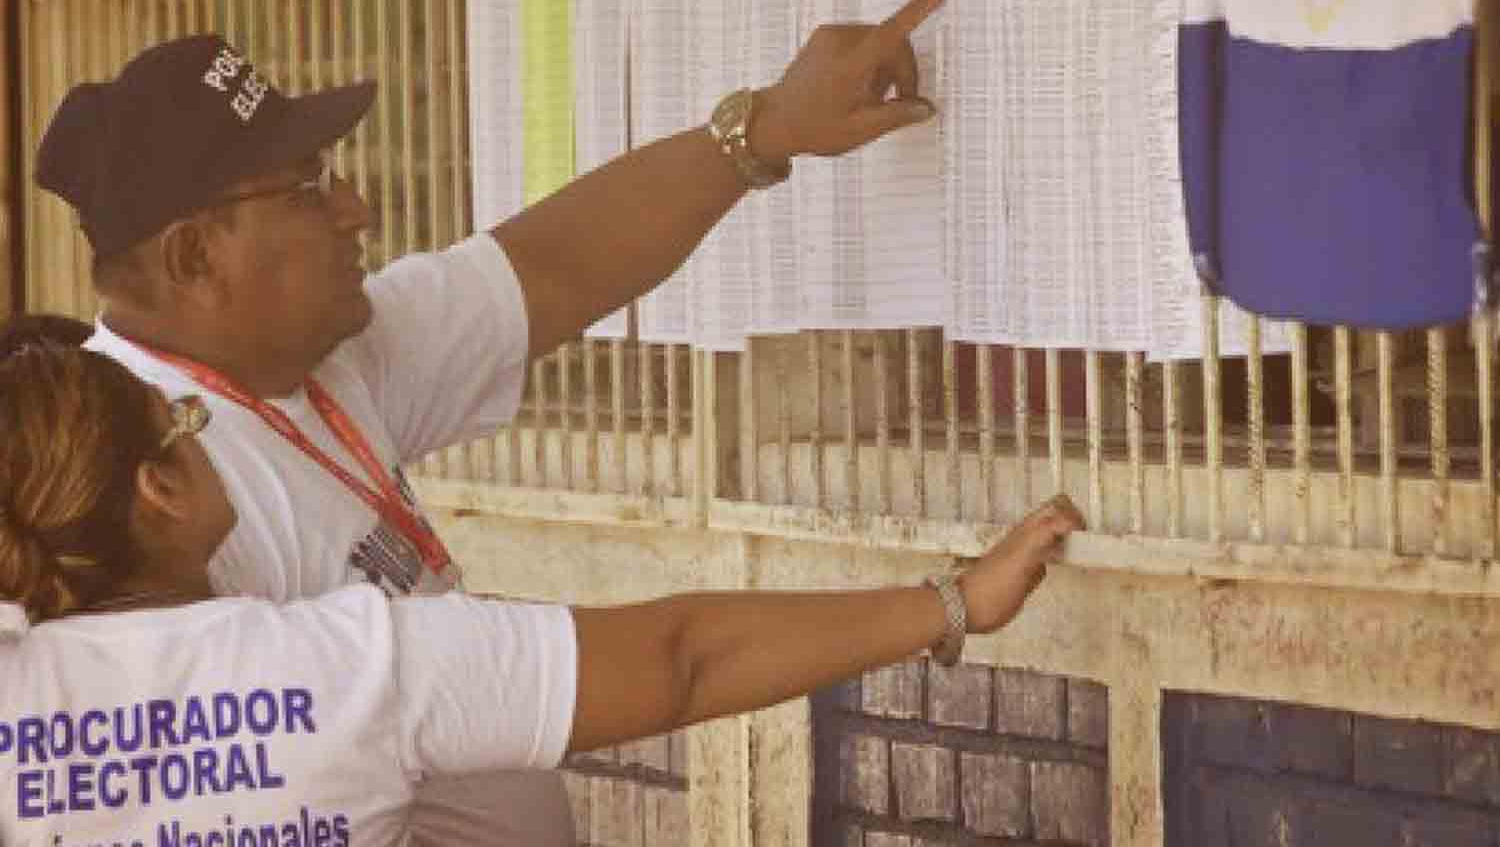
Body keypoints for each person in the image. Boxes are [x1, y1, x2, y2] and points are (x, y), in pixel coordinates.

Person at [31, 0, 948, 845]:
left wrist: (769, 127)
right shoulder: (143, 494)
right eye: (306, 187)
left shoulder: (319, 353)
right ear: (195, 257)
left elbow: (553, 265)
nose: (354, 208)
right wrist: (946, 604)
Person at [0, 342, 1083, 845]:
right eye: (187, 430)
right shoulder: (348, 665)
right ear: (157, 490)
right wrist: (953, 602)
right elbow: (680, 657)